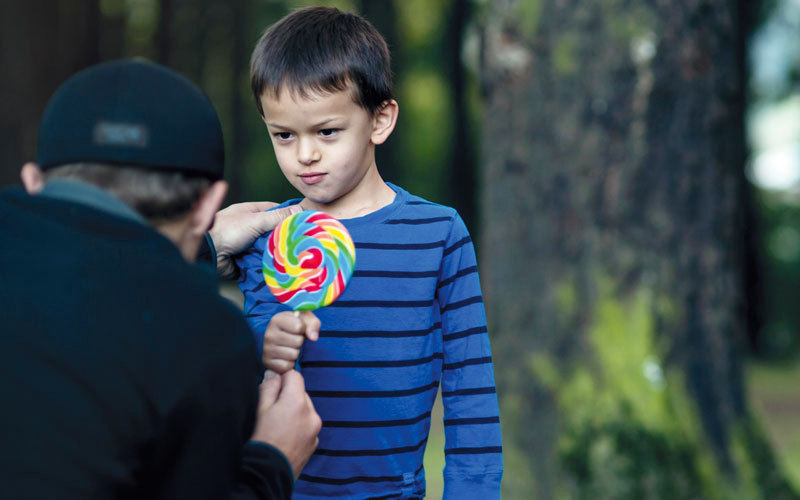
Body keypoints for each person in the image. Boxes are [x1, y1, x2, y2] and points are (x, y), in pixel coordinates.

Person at [0, 59, 321, 500]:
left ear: (33, 181)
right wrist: (271, 461)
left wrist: (206, 249)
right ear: (210, 205)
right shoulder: (208, 337)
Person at [235, 7, 503, 499]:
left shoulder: (438, 234)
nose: (305, 155)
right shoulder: (271, 236)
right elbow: (248, 355)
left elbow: (471, 389)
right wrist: (267, 339)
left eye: (327, 131)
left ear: (380, 120)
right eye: (284, 135)